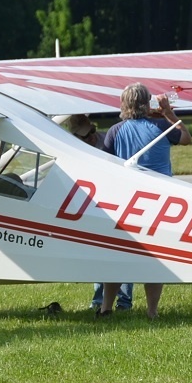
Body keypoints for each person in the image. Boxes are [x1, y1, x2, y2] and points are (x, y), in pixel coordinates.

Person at [97, 82, 192, 319]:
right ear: (147, 103)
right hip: (159, 203)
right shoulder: (161, 125)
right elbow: (186, 138)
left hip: (126, 202)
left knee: (117, 256)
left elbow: (105, 167)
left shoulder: (115, 131)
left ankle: (106, 308)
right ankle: (152, 311)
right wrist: (169, 112)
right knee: (154, 259)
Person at [68, 114, 134, 312]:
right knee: (99, 253)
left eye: (90, 133)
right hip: (95, 207)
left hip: (117, 204)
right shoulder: (76, 150)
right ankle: (99, 300)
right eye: (83, 136)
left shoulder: (109, 140)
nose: (89, 138)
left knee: (123, 252)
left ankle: (124, 302)